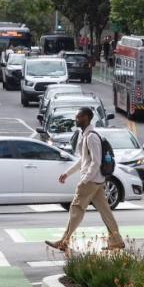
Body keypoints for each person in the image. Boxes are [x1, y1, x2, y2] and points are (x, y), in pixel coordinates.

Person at [47, 107, 125, 252]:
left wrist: (85, 179)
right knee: (105, 211)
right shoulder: (86, 135)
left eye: (79, 117)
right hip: (97, 181)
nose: (76, 119)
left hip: (90, 181)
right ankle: (116, 240)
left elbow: (96, 162)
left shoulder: (91, 137)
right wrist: (67, 173)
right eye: (76, 116)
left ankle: (63, 242)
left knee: (76, 208)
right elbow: (83, 160)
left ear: (87, 118)